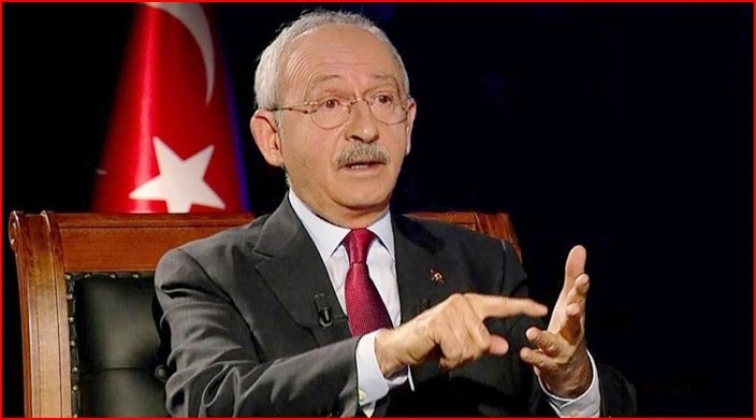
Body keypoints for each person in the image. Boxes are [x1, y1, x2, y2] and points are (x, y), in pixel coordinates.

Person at [154, 10, 636, 417]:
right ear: (271, 138)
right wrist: (384, 353)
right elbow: (210, 402)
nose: (365, 129)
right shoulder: (209, 273)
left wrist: (572, 384)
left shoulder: (484, 264)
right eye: (330, 103)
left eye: (383, 100)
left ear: (408, 124)